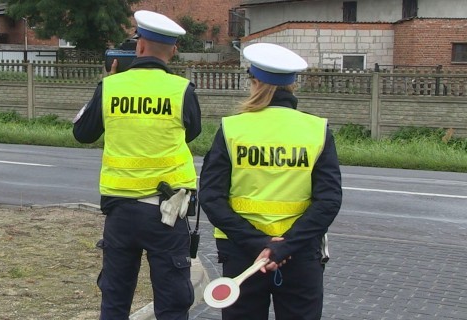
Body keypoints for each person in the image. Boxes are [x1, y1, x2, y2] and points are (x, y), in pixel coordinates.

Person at [72, 10, 202, 320]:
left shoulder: (111, 87)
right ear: (172, 51)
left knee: (115, 301)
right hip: (167, 212)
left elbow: (82, 132)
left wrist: (104, 84)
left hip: (121, 214)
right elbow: (192, 132)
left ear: (139, 46)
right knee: (171, 303)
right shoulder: (182, 90)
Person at [199, 43, 342, 320]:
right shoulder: (317, 130)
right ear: (292, 86)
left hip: (242, 254)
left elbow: (212, 197)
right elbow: (328, 201)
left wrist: (258, 244)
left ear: (255, 83)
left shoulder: (232, 129)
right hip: (299, 253)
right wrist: (283, 247)